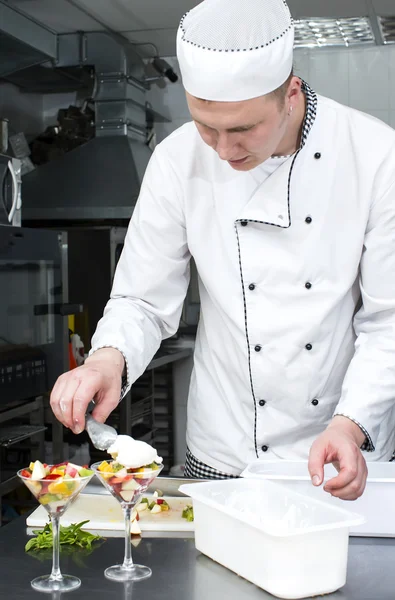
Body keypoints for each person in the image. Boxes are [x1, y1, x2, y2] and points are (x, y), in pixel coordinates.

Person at [50, 0, 395, 501]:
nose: (223, 150)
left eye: (242, 130)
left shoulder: (376, 155)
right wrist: (106, 360)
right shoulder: (176, 158)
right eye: (207, 126)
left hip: (339, 449)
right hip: (221, 451)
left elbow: (388, 321)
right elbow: (142, 300)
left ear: (290, 93)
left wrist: (351, 425)